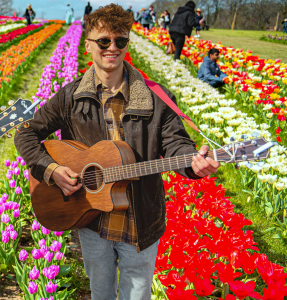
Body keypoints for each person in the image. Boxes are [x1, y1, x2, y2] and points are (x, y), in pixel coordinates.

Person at [14, 4, 219, 300]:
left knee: (137, 296)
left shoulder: (155, 97)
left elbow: (177, 144)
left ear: (127, 44)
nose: (112, 48)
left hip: (141, 221)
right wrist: (52, 169)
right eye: (104, 41)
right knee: (101, 294)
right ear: (88, 46)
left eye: (120, 41)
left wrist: (193, 165)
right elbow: (25, 133)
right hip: (91, 219)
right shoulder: (71, 97)